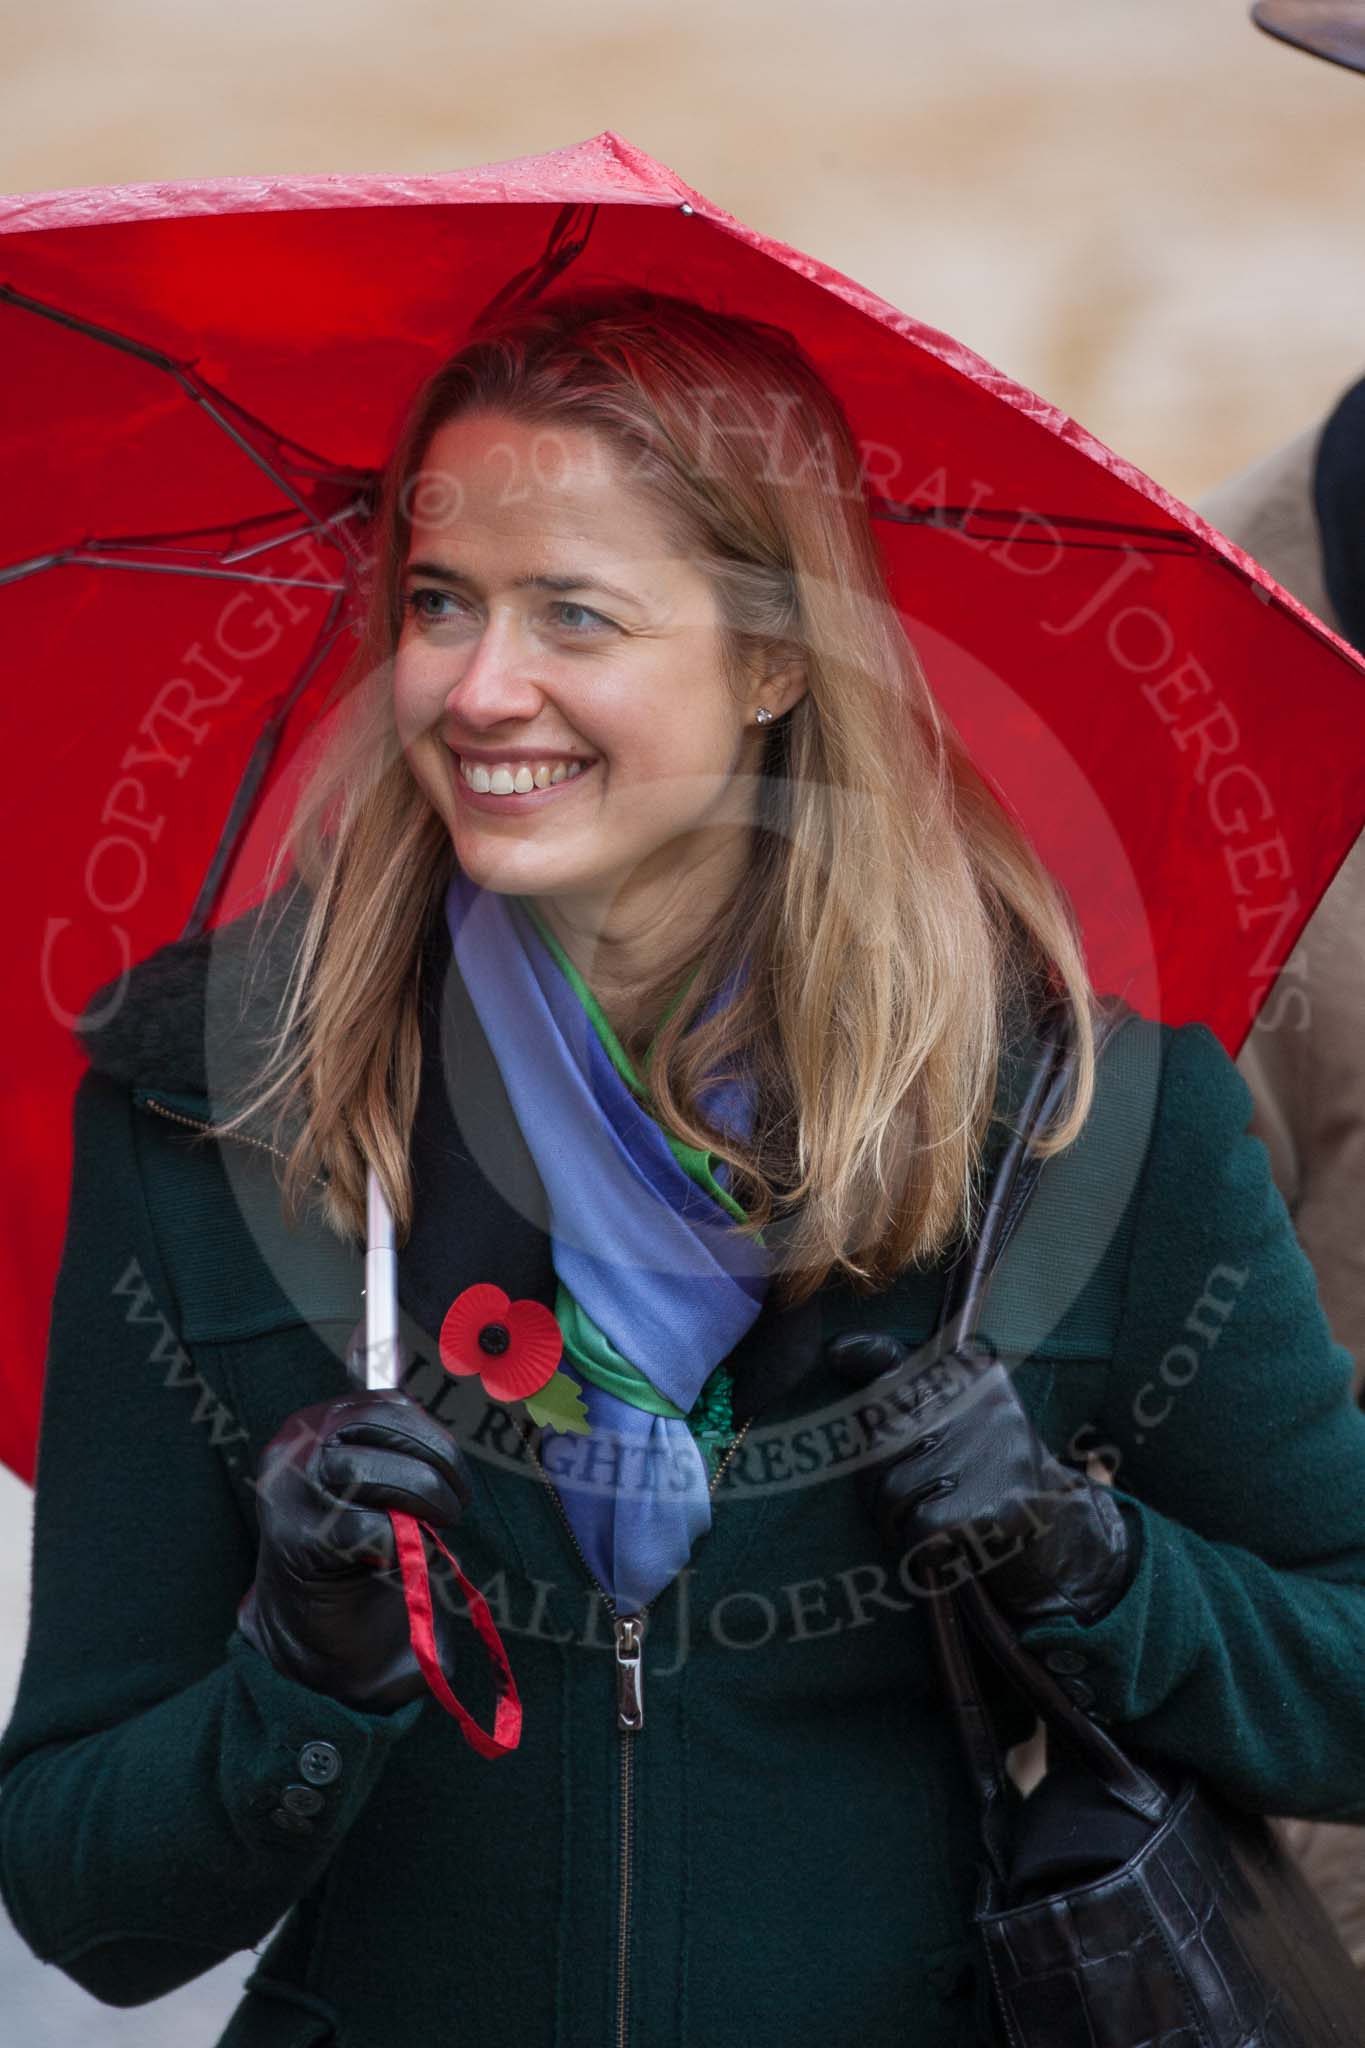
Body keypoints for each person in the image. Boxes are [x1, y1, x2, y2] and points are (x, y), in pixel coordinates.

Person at [3, 285, 1365, 2048]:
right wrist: (295, 1681)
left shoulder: (1081, 1123)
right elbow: (78, 1900)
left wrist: (1092, 1569)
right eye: (437, 604)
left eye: (574, 613)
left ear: (777, 662)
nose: (481, 687)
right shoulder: (210, 1121)